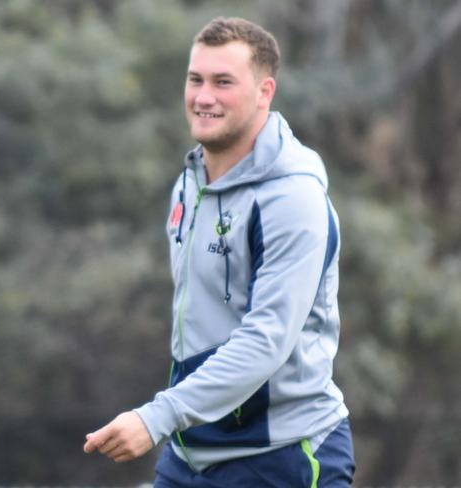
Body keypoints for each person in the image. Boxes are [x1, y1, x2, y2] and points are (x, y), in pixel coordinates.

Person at [83, 16, 355, 487]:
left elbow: (265, 339)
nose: (203, 97)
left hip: (282, 456)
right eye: (196, 80)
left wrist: (156, 417)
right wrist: (173, 422)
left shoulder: (292, 199)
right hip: (191, 455)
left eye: (223, 82)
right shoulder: (189, 184)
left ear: (264, 92)